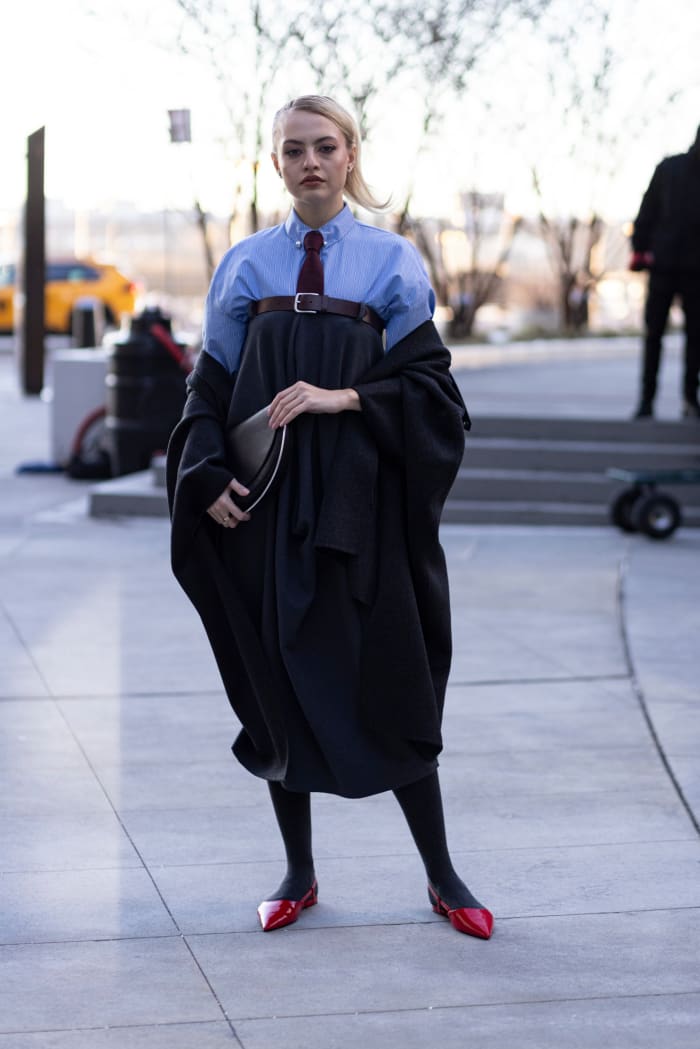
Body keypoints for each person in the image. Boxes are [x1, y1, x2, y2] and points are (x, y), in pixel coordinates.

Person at [166, 95, 493, 940]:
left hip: (359, 506)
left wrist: (343, 395)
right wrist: (204, 475)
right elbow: (207, 391)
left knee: (392, 675)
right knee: (279, 684)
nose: (310, 161)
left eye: (325, 146)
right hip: (266, 511)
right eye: (293, 149)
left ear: (350, 155)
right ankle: (298, 872)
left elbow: (434, 397)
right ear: (275, 163)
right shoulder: (243, 265)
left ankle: (444, 875)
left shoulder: (393, 262)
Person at [630, 124, 700, 419]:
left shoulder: (668, 167)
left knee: (657, 335)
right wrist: (640, 246)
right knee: (691, 336)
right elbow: (647, 213)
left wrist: (641, 247)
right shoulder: (668, 168)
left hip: (668, 264)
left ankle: (650, 402)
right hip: (686, 267)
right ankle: (685, 400)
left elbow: (646, 213)